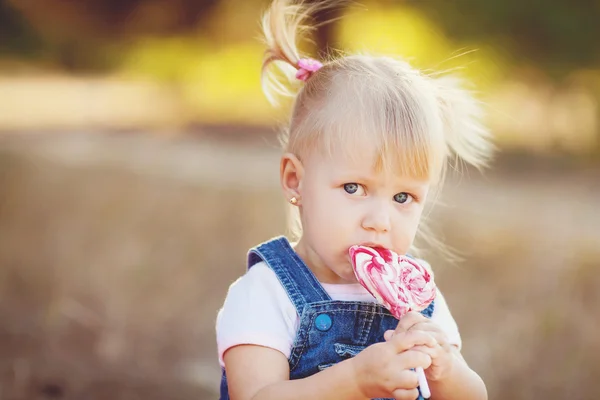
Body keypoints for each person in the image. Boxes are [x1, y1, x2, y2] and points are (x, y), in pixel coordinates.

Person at [215, 0, 493, 399]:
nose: (380, 220)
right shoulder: (265, 293)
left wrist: (446, 369)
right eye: (353, 188)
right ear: (296, 180)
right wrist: (354, 380)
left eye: (403, 196)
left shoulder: (420, 303)